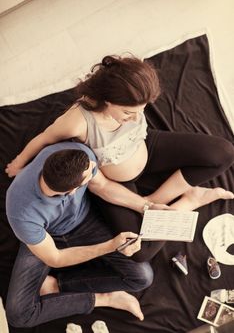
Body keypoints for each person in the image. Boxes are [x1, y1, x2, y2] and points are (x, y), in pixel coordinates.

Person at [5, 55, 234, 261]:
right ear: (107, 101)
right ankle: (190, 201)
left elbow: (135, 112)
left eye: (141, 110)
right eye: (127, 113)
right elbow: (44, 138)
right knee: (140, 251)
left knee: (224, 153)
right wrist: (19, 162)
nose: (135, 119)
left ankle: (157, 198)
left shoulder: (131, 108)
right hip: (117, 181)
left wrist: (149, 204)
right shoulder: (78, 122)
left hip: (147, 148)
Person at [5, 141, 155, 328]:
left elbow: (103, 186)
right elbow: (56, 258)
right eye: (89, 174)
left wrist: (146, 206)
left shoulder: (78, 157)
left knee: (142, 277)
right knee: (19, 315)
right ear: (72, 190)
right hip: (44, 238)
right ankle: (105, 298)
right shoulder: (21, 210)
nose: (94, 166)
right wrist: (111, 246)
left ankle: (57, 285)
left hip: (85, 222)